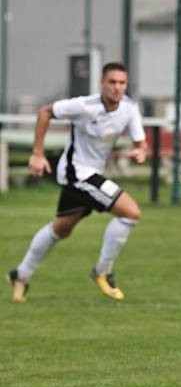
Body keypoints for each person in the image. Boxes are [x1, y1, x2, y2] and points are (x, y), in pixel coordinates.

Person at [7, 62, 147, 302]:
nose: (117, 87)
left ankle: (21, 274)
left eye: (121, 83)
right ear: (102, 84)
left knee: (61, 229)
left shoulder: (129, 108)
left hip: (91, 175)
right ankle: (102, 271)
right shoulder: (85, 106)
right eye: (112, 82)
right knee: (130, 213)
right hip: (76, 174)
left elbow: (140, 144)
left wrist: (140, 152)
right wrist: (38, 154)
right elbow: (45, 112)